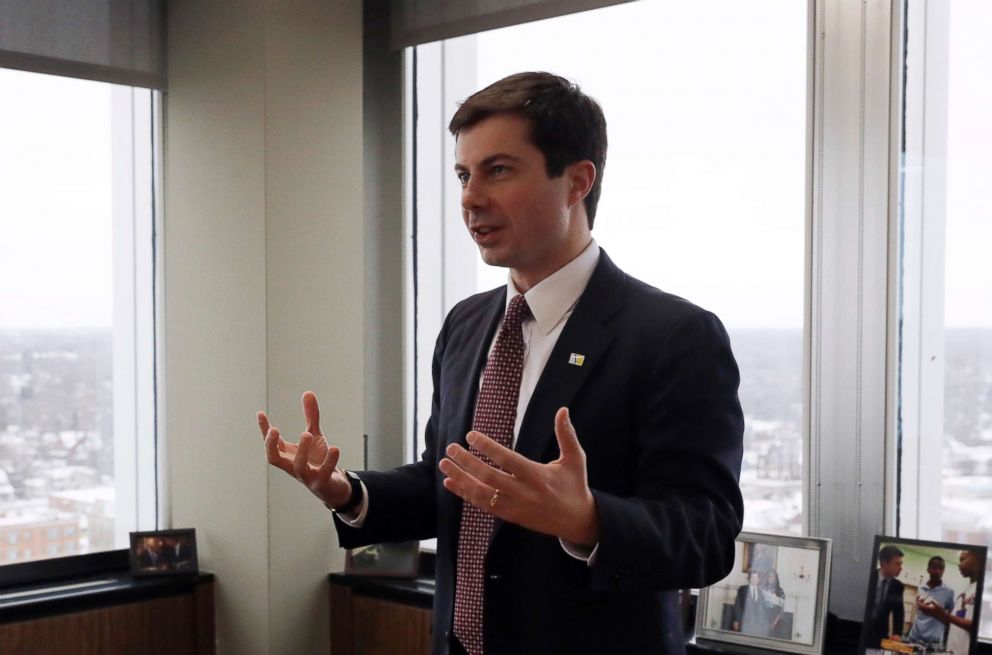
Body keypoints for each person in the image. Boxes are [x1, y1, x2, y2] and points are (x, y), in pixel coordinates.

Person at [258, 72, 744, 655]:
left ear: (577, 182)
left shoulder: (675, 336)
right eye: (464, 175)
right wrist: (348, 491)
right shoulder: (466, 324)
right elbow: (453, 480)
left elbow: (708, 536)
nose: (469, 198)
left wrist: (588, 518)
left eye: (499, 171)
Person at [918, 549, 984, 655]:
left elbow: (975, 625)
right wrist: (933, 613)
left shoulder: (983, 591)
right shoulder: (965, 592)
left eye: (963, 559)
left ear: (978, 559)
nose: (959, 564)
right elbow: (953, 622)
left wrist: (942, 614)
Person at [906, 556, 956, 649]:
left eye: (940, 568)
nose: (937, 571)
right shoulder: (921, 588)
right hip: (914, 638)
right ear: (928, 569)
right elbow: (918, 613)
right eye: (934, 567)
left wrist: (936, 613)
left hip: (933, 643)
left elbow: (951, 618)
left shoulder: (949, 592)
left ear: (943, 571)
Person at [865, 544, 906, 649]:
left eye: (901, 564)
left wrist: (897, 633)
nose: (900, 568)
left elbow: (899, 611)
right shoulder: (868, 576)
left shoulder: (897, 586)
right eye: (897, 564)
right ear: (884, 563)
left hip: (881, 634)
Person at [733, 571, 771, 636]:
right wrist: (736, 620)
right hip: (744, 622)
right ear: (749, 578)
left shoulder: (760, 592)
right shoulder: (742, 589)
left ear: (759, 579)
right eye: (752, 577)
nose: (754, 579)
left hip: (756, 625)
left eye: (756, 577)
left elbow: (763, 610)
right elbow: (737, 606)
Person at [762, 569, 787, 638]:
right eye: (769, 576)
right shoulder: (763, 589)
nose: (770, 578)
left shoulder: (780, 591)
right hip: (764, 618)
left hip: (776, 619)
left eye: (772, 576)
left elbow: (782, 609)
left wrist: (774, 623)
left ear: (776, 578)